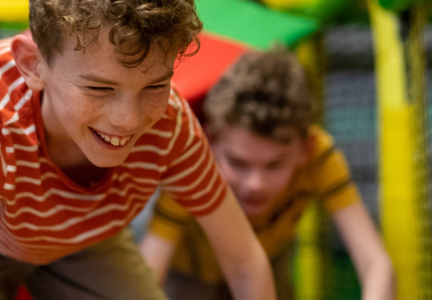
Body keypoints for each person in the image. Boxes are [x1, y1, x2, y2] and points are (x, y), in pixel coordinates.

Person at [0, 0, 278, 299]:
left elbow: (245, 262)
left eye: (155, 86)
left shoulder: (169, 124)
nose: (128, 119)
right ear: (32, 65)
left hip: (81, 226)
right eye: (99, 88)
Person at [139, 48, 395, 300]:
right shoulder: (192, 163)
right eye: (238, 163)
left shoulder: (320, 158)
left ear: (306, 149)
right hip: (191, 275)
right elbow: (153, 265)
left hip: (269, 261)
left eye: (274, 165)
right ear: (211, 140)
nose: (255, 184)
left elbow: (376, 263)